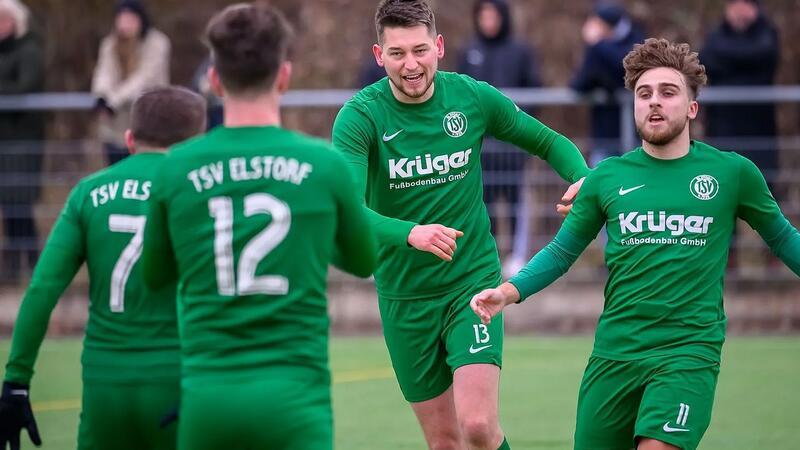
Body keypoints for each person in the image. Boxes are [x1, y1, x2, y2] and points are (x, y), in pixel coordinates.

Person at [471, 38, 800, 450]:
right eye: (644, 94)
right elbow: (561, 252)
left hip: (687, 354)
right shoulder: (607, 178)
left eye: (668, 92)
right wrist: (508, 292)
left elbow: (783, 237)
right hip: (615, 354)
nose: (654, 103)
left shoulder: (733, 174)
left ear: (692, 107)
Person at [331, 1, 588, 449]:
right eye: (397, 54)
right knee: (446, 442)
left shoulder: (471, 96)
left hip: (472, 286)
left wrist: (582, 177)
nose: (410, 65)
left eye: (419, 50)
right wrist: (411, 233)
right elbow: (348, 212)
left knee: (478, 428)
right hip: (403, 295)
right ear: (379, 56)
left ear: (439, 47)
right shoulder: (360, 117)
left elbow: (546, 140)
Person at [140, 4, 376, 450]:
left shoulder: (173, 170)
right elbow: (364, 260)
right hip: (295, 401)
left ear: (213, 80)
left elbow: (155, 276)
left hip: (208, 397)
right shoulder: (324, 165)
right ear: (284, 76)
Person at [0, 86, 207, 450]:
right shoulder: (205, 197)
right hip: (179, 382)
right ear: (197, 146)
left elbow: (42, 290)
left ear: (129, 139)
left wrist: (16, 380)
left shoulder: (88, 193)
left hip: (103, 386)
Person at [457, 0, 542, 277]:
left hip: (513, 147)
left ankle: (517, 256)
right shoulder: (469, 51)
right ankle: (489, 254)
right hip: (480, 148)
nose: (489, 21)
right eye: (484, 15)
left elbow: (535, 92)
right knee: (485, 202)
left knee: (516, 199)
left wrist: (516, 127)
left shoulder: (520, 52)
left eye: (493, 15)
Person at [701, 0, 779, 190]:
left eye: (744, 5)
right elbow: (707, 59)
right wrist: (746, 64)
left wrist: (728, 62)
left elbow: (764, 55)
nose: (739, 12)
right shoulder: (716, 34)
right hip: (722, 124)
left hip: (758, 126)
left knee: (761, 185)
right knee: (722, 184)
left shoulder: (767, 33)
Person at [91, 0, 170, 165]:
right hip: (115, 127)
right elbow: (104, 72)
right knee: (116, 175)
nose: (125, 24)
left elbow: (145, 78)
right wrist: (101, 95)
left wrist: (114, 100)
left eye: (130, 19)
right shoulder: (110, 43)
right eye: (122, 18)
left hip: (148, 123)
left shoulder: (157, 43)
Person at [0, 0, 44, 284]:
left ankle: (32, 261)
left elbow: (24, 88)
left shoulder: (29, 50)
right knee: (7, 202)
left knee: (21, 201)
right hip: (3, 139)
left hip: (22, 137)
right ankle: (13, 264)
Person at [570, 3, 644, 166]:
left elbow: (626, 65)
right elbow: (579, 83)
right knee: (603, 185)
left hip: (635, 131)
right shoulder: (598, 48)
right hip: (604, 131)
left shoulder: (635, 39)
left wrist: (597, 44)